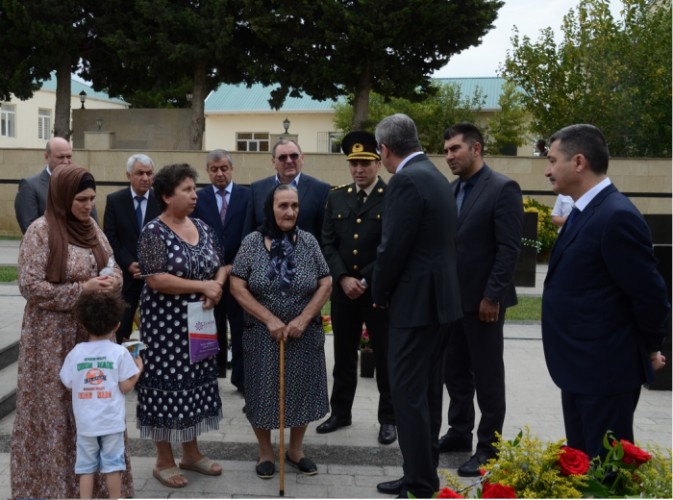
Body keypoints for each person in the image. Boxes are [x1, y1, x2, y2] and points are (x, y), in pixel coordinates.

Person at [542, 124, 670, 459]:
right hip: (581, 368)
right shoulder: (584, 211)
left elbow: (650, 294)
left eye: (553, 160)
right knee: (582, 467)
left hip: (605, 372)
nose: (547, 170)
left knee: (606, 474)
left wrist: (650, 346)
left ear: (579, 162)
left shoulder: (615, 216)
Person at [11, 165, 132, 499]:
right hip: (50, 339)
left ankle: (100, 490)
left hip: (90, 336)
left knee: (94, 408)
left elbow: (114, 267)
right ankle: (52, 488)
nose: (87, 205)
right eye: (81, 199)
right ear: (63, 196)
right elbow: (30, 285)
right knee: (55, 409)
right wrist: (83, 289)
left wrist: (110, 282)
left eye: (92, 198)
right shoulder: (40, 231)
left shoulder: (91, 227)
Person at [371, 114, 462, 498]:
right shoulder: (435, 175)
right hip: (440, 303)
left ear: (386, 150)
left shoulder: (405, 180)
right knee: (426, 393)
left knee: (407, 395)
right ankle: (421, 475)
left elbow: (392, 247)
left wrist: (378, 292)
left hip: (415, 305)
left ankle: (420, 482)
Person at [231, 183, 331, 479]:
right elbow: (237, 284)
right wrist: (269, 319)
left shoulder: (309, 242)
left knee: (301, 391)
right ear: (270, 208)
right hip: (263, 335)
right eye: (283, 206)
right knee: (262, 393)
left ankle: (295, 450)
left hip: (303, 334)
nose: (289, 212)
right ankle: (265, 452)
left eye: (294, 206)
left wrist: (303, 318)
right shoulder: (251, 242)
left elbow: (326, 281)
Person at [439, 123, 524, 477]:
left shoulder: (502, 188)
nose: (449, 156)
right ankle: (459, 432)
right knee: (454, 373)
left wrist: (493, 296)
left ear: (476, 149)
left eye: (455, 149)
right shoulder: (452, 189)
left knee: (488, 378)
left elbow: (509, 249)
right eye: (445, 151)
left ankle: (489, 447)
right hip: (452, 302)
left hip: (484, 305)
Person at [136, 163, 227, 488]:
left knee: (196, 385)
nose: (194, 194)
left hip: (199, 324)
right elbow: (156, 278)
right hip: (164, 328)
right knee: (164, 385)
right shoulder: (153, 231)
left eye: (194, 188)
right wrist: (203, 287)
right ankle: (163, 460)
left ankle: (191, 453)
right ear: (166, 196)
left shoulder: (202, 225)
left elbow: (221, 264)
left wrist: (215, 286)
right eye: (187, 189)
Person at [317, 131, 396, 445]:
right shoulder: (337, 196)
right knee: (343, 354)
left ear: (378, 163)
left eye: (365, 163)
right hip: (343, 292)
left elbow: (390, 246)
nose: (359, 169)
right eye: (354, 163)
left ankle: (388, 419)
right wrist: (342, 278)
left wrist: (363, 278)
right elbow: (328, 242)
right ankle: (340, 412)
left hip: (376, 291)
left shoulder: (391, 197)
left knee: (384, 357)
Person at [60, 290, 144, 500]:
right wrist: (138, 371)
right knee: (113, 465)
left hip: (86, 423)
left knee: (86, 467)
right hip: (111, 422)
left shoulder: (76, 352)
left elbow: (68, 382)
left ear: (83, 324)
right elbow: (125, 387)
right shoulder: (119, 352)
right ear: (117, 325)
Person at [192, 149, 250, 389]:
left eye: (224, 168)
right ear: (208, 171)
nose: (220, 173)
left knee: (240, 327)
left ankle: (241, 378)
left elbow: (250, 231)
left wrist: (239, 263)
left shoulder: (247, 196)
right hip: (209, 277)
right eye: (214, 169)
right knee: (208, 326)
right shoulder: (198, 198)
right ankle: (210, 375)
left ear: (232, 169)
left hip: (240, 274)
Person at [103, 153, 161, 343]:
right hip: (127, 277)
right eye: (139, 173)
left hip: (155, 277)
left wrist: (148, 265)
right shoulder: (114, 201)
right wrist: (129, 264)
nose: (145, 178)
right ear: (128, 175)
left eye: (149, 173)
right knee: (122, 325)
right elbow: (110, 237)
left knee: (155, 328)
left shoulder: (161, 201)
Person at [242, 138, 330, 242]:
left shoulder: (320, 190)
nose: (289, 161)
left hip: (304, 256)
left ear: (302, 158)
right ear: (274, 162)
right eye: (282, 157)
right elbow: (248, 232)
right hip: (264, 256)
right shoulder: (257, 189)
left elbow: (325, 236)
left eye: (294, 156)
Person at [14, 137, 98, 233]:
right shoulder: (30, 186)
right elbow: (30, 229)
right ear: (46, 157)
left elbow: (93, 224)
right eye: (61, 157)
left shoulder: (82, 182)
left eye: (69, 157)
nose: (66, 161)